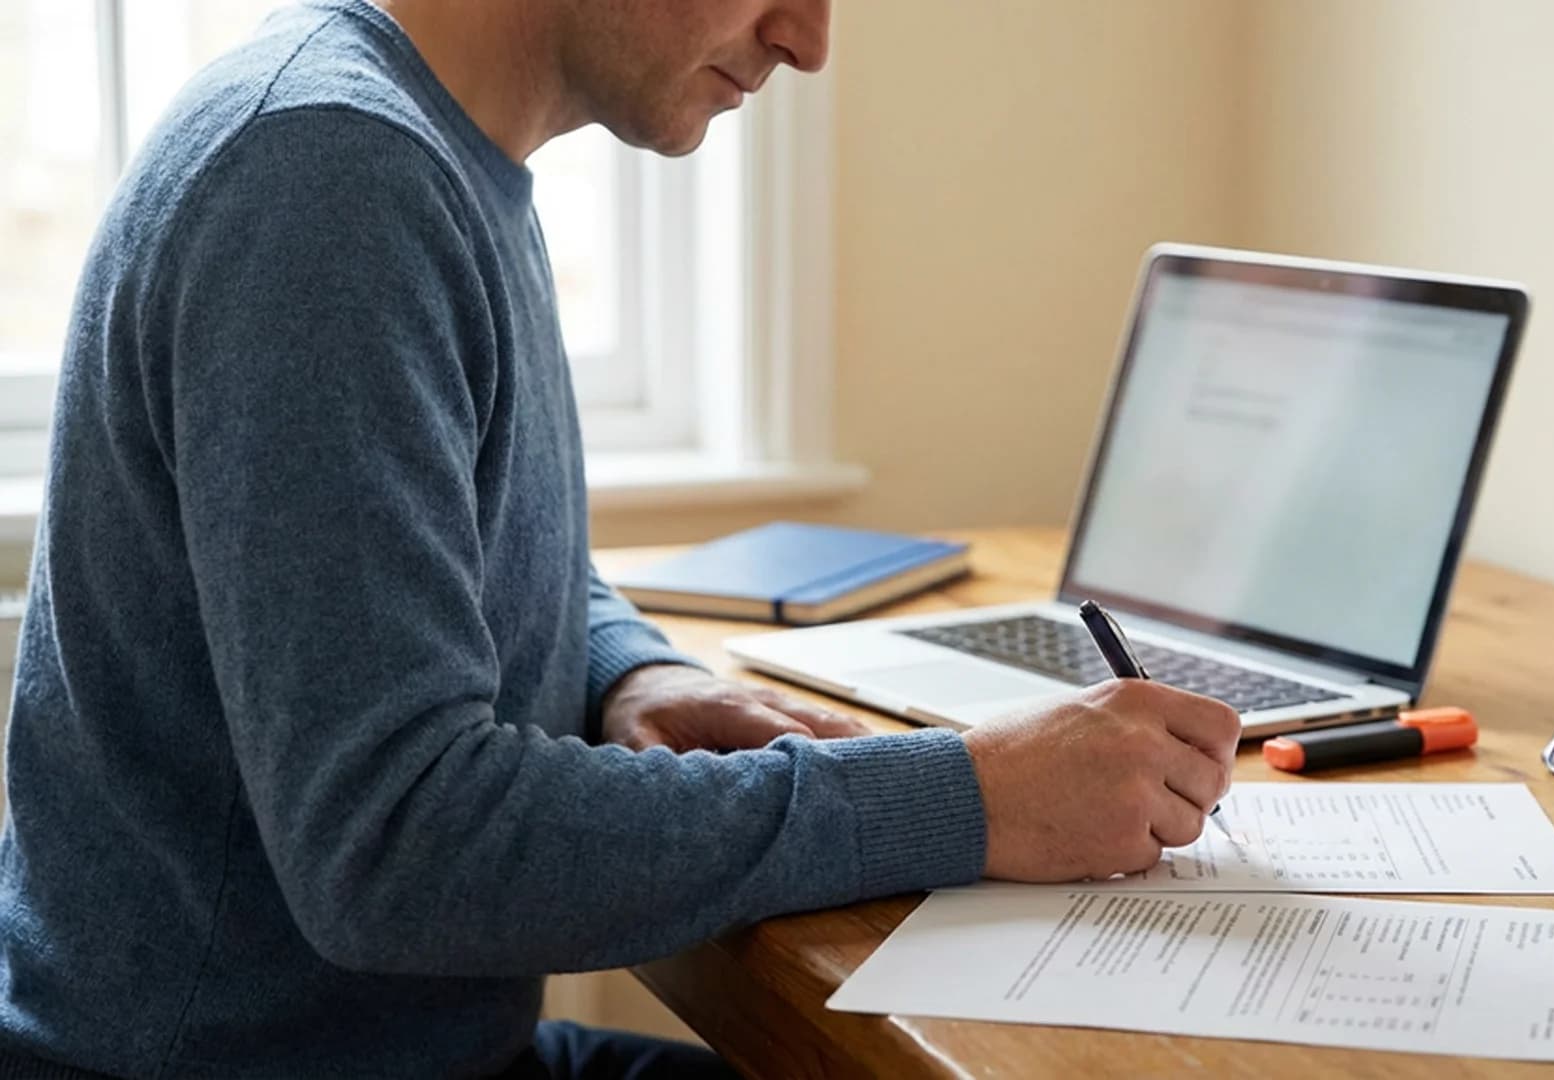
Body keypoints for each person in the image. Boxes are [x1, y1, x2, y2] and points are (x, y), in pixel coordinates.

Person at [0, 1, 1241, 1076]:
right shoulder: (331, 184)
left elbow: (495, 550)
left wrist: (630, 673)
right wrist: (966, 797)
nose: (806, 42)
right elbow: (397, 850)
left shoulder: (436, 155)